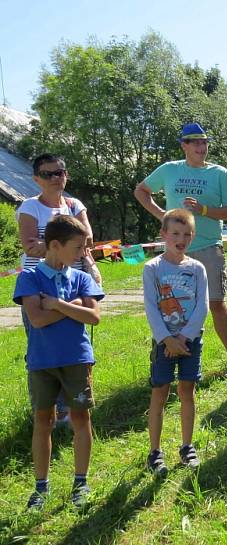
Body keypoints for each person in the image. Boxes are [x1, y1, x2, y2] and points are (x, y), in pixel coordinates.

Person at [134, 123, 227, 375]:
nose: (201, 147)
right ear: (184, 145)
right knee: (171, 305)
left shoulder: (219, 173)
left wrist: (203, 210)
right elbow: (141, 191)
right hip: (175, 252)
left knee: (215, 303)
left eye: (204, 142)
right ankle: (167, 358)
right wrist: (163, 216)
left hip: (207, 247)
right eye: (195, 142)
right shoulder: (169, 170)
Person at [13, 215, 104, 509]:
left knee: (81, 418)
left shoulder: (81, 278)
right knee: (43, 420)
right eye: (78, 248)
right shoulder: (29, 278)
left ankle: (81, 482)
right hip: (42, 362)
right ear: (55, 245)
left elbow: (94, 316)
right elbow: (37, 320)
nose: (82, 254)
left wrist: (57, 304)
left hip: (77, 359)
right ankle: (40, 488)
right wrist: (73, 307)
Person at [16, 153, 101, 425]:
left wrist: (62, 245)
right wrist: (61, 244)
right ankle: (45, 407)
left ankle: (71, 406)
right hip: (38, 282)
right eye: (49, 173)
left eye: (60, 172)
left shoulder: (76, 204)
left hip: (74, 277)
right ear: (37, 179)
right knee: (40, 338)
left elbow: (87, 239)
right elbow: (30, 245)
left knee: (74, 342)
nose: (56, 178)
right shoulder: (30, 206)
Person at [143, 209, 208, 476]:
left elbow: (202, 306)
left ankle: (187, 446)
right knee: (160, 392)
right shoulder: (153, 269)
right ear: (164, 234)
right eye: (175, 234)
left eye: (187, 234)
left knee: (186, 391)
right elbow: (150, 307)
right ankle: (155, 452)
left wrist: (183, 337)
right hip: (163, 342)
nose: (181, 239)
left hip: (190, 341)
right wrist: (167, 339)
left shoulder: (197, 269)